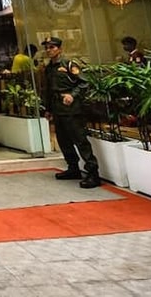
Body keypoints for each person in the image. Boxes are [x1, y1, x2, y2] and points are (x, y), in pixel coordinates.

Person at [42, 36, 100, 188]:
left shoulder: (69, 64)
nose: (48, 50)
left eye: (52, 47)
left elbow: (84, 82)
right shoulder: (49, 68)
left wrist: (72, 95)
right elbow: (48, 90)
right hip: (57, 108)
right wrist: (48, 109)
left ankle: (93, 173)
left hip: (72, 109)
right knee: (63, 140)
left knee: (80, 140)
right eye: (47, 48)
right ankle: (73, 168)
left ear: (60, 49)